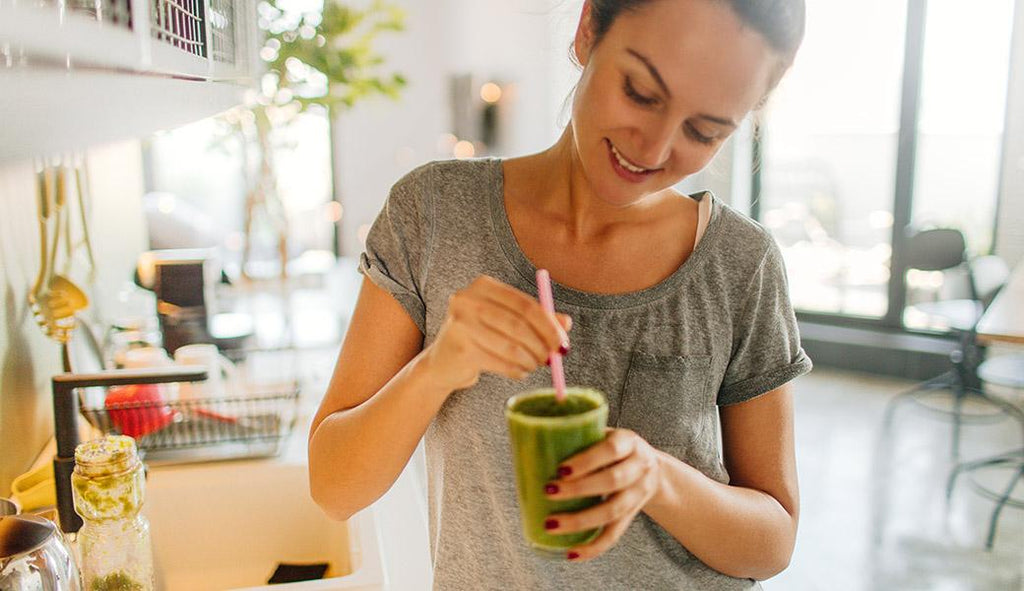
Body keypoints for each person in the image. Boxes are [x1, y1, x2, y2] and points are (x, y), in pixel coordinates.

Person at [309, 0, 810, 588]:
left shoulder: (740, 264)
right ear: (587, 29)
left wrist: (657, 479)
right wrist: (436, 367)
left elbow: (771, 542)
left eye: (703, 131)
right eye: (641, 93)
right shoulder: (434, 215)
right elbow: (334, 489)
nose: (651, 150)